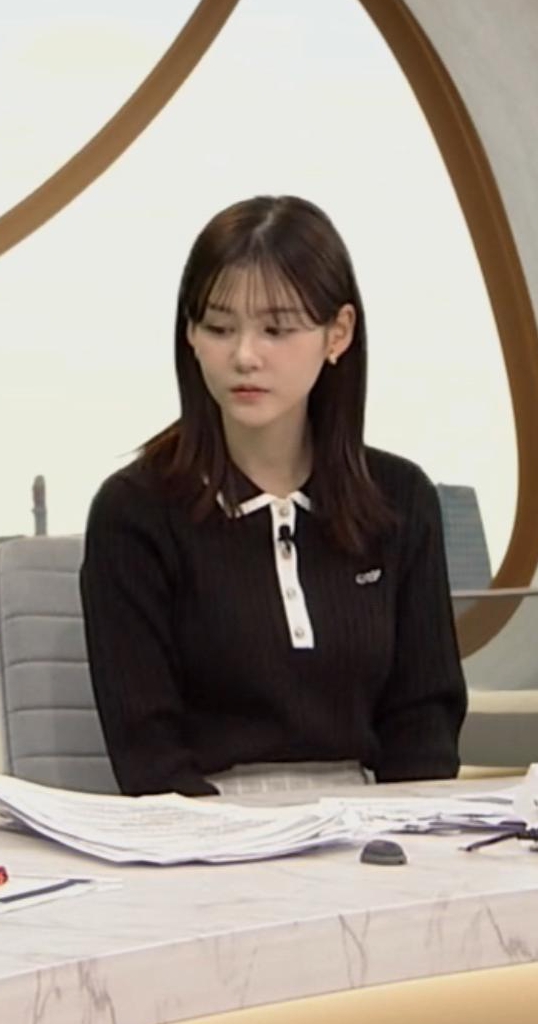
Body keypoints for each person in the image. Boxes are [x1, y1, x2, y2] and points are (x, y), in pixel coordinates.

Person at [80, 194, 467, 797]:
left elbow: (424, 727)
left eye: (276, 329)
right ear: (190, 334)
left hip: (375, 823)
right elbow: (148, 756)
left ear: (337, 333)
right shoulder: (134, 513)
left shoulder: (401, 499)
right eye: (219, 327)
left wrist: (395, 834)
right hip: (203, 829)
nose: (244, 356)